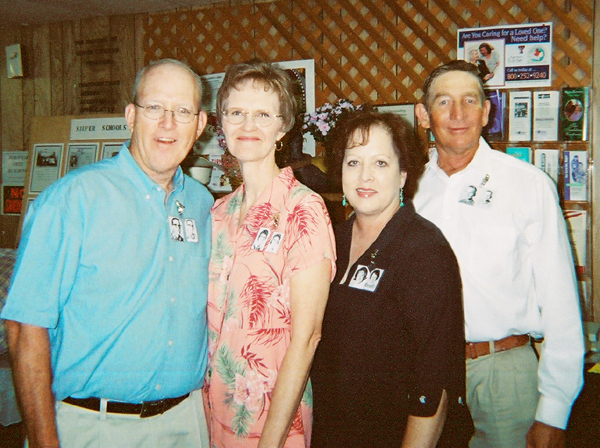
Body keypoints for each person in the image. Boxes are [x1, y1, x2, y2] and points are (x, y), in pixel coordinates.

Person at [1, 58, 213, 448]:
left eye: (183, 111)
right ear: (131, 116)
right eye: (154, 107)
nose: (168, 123)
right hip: (93, 427)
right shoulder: (71, 200)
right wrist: (44, 440)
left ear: (199, 125)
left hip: (187, 424)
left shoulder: (203, 205)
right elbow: (24, 326)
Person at [413, 60, 584, 448]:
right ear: (423, 115)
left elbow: (560, 300)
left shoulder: (528, 185)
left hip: (505, 375)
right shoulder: (409, 190)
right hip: (424, 371)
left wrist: (554, 409)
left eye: (470, 100)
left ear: (486, 112)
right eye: (444, 102)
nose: (458, 114)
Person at [311, 110, 467, 447]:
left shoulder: (423, 248)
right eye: (353, 162)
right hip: (332, 430)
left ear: (402, 175)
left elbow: (434, 379)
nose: (364, 176)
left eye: (380, 163)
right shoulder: (330, 240)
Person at [204, 60, 336, 448]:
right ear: (222, 123)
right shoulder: (218, 213)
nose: (248, 125)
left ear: (282, 127)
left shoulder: (303, 209)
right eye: (236, 113)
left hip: (272, 420)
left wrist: (271, 441)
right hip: (213, 413)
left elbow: (307, 338)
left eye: (263, 115)